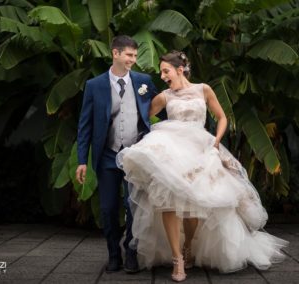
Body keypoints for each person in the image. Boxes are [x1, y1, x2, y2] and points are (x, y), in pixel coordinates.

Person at [116, 50, 288, 282]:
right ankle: (177, 260)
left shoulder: (203, 89)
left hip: (200, 147)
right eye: (161, 72)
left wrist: (216, 140)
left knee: (194, 202)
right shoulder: (164, 96)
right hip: (171, 149)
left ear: (180, 69)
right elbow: (144, 118)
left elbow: (222, 117)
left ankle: (188, 247)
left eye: (165, 71)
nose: (163, 76)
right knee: (166, 201)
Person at [76, 35, 159, 273]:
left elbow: (160, 109)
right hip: (107, 156)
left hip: (136, 155)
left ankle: (131, 252)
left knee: (133, 207)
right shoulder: (95, 85)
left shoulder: (144, 81)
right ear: (116, 54)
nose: (133, 59)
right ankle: (114, 254)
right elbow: (85, 125)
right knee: (108, 208)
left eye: (135, 55)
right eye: (129, 55)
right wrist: (82, 160)